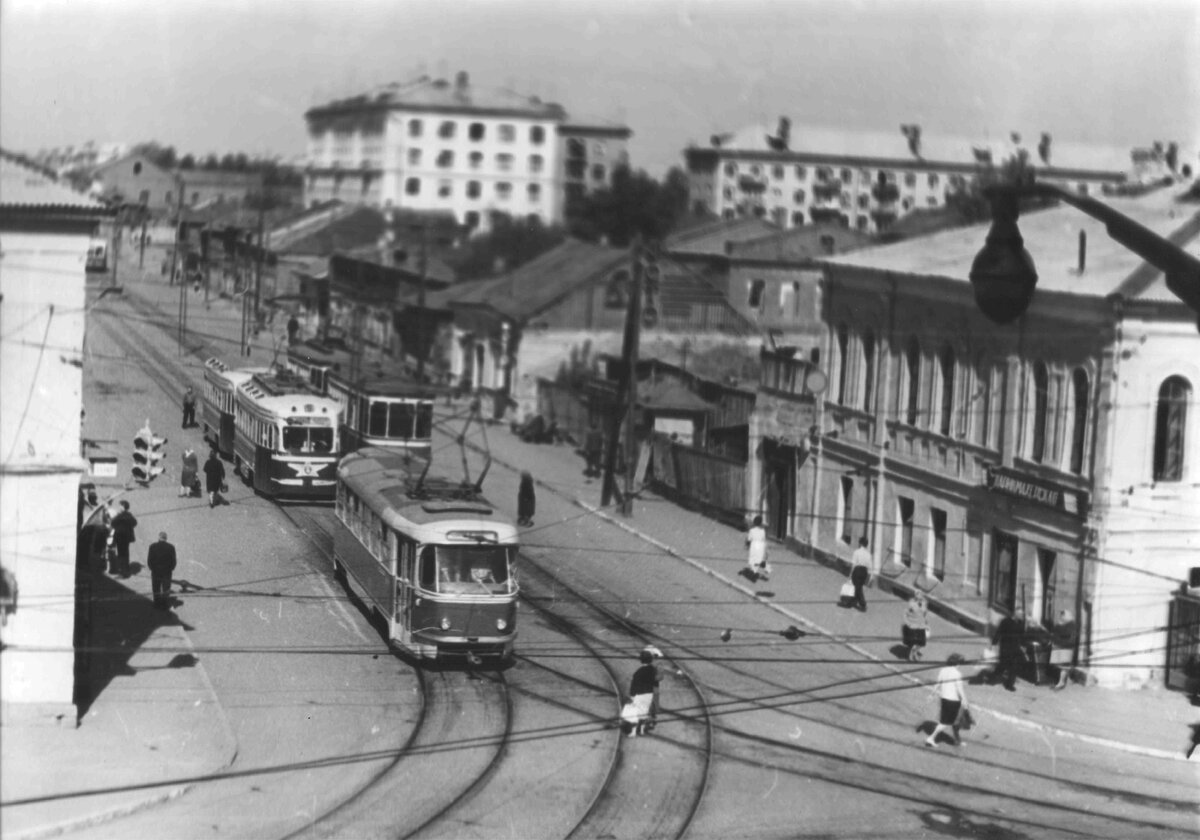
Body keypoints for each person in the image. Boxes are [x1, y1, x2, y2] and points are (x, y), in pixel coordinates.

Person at [926, 653, 969, 748]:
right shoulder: (957, 674)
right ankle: (931, 738)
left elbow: (937, 684)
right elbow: (959, 689)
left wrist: (931, 694)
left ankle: (957, 740)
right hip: (953, 701)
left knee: (955, 722)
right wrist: (965, 700)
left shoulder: (943, 670)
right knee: (946, 723)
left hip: (944, 699)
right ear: (957, 663)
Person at [627, 647, 662, 736]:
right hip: (649, 694)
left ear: (641, 660)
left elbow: (634, 684)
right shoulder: (653, 670)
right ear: (650, 660)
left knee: (635, 713)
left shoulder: (638, 672)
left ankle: (634, 732)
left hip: (639, 694)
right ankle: (642, 731)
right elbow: (656, 682)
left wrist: (632, 695)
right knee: (644, 712)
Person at [992, 608, 1027, 692]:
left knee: (1015, 666)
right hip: (1005, 647)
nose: (1022, 616)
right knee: (1003, 664)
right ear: (1015, 614)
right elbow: (999, 632)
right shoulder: (1006, 621)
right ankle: (994, 675)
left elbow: (1022, 636)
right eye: (1021, 614)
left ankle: (1009, 684)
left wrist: (1023, 645)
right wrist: (994, 643)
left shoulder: (1021, 623)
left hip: (1015, 647)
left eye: (1022, 614)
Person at [146, 532, 178, 610]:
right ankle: (164, 604)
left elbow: (149, 560)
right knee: (166, 588)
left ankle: (156, 604)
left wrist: (151, 568)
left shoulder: (152, 546)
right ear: (166, 538)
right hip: (167, 571)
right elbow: (173, 560)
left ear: (159, 537)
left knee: (156, 587)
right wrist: (171, 568)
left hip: (156, 571)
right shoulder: (171, 547)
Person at [1049, 609, 1078, 690]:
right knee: (1062, 665)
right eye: (1061, 615)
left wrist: (1059, 626)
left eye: (1063, 615)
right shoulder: (1062, 623)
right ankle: (1068, 679)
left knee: (1064, 666)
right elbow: (1055, 632)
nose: (1062, 617)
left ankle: (1061, 683)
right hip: (1060, 646)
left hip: (1066, 647)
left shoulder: (1071, 624)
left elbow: (1068, 636)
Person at [109, 500, 138, 577]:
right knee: (126, 553)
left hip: (120, 537)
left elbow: (113, 523)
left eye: (120, 506)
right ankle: (126, 569)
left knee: (121, 554)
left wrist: (119, 525)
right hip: (127, 538)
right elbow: (134, 523)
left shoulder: (120, 515)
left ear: (123, 507)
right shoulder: (129, 515)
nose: (119, 507)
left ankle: (123, 572)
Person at [903, 594, 930, 661]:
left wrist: (926, 623)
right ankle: (911, 654)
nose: (919, 599)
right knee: (915, 642)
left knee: (922, 643)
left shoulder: (924, 603)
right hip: (913, 626)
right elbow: (906, 613)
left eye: (921, 597)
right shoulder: (912, 603)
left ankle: (914, 652)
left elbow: (925, 613)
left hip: (921, 626)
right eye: (917, 597)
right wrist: (908, 623)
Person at [744, 515, 770, 581]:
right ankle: (758, 571)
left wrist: (747, 545)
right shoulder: (763, 531)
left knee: (753, 559)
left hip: (754, 546)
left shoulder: (752, 530)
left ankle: (754, 572)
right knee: (758, 559)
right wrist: (766, 549)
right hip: (760, 546)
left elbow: (749, 539)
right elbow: (764, 540)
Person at [850, 537, 872, 612]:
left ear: (860, 543)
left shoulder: (857, 552)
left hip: (857, 570)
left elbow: (854, 564)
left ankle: (863, 604)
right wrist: (869, 577)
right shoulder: (868, 554)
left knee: (858, 587)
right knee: (858, 586)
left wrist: (850, 574)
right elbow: (869, 566)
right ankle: (854, 600)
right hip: (864, 572)